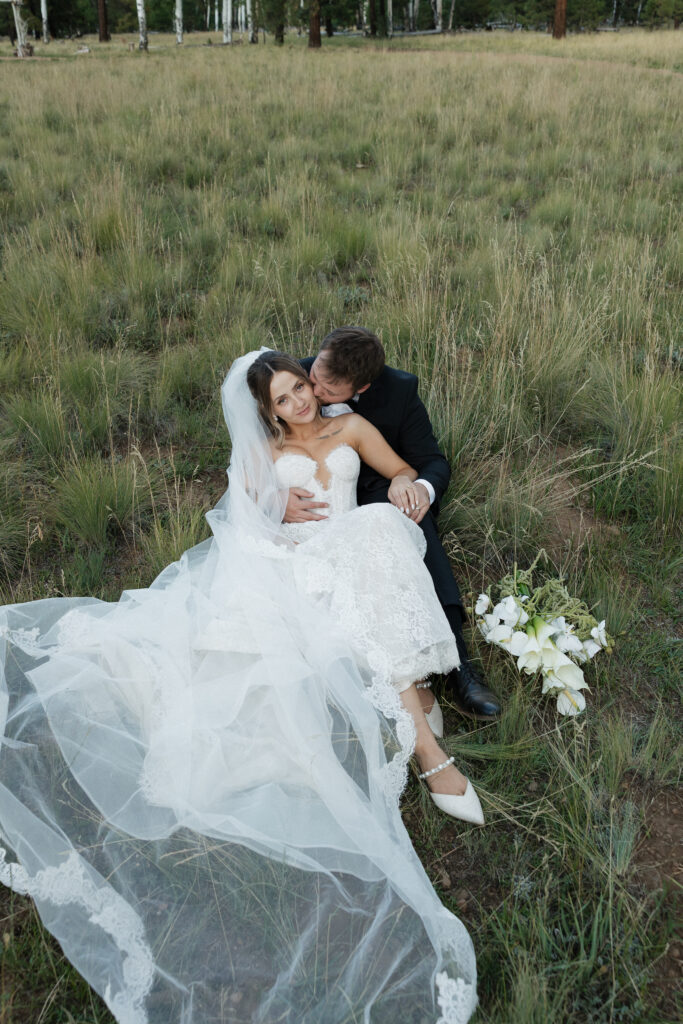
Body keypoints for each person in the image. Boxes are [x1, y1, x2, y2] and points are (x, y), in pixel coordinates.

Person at [0, 349, 478, 1024]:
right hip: (293, 562)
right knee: (361, 584)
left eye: (299, 389)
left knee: (376, 529)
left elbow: (400, 472)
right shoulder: (263, 451)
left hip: (354, 544)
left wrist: (404, 488)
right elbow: (246, 520)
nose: (298, 404)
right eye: (283, 400)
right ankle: (425, 733)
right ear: (267, 411)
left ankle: (420, 725)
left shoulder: (350, 429)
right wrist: (278, 510)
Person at [289, 327, 501, 721]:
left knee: (413, 521)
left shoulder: (400, 391)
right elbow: (252, 446)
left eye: (327, 391)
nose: (313, 393)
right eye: (314, 375)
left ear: (363, 387)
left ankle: (459, 664)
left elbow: (432, 459)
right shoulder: (294, 378)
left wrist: (415, 485)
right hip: (315, 507)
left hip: (382, 492)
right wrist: (274, 494)